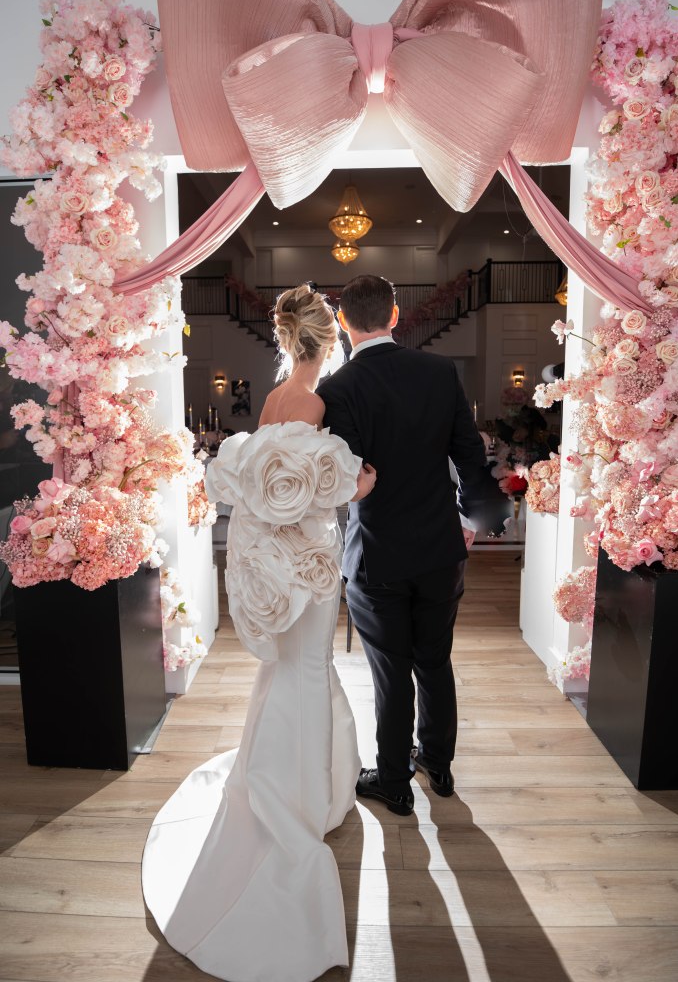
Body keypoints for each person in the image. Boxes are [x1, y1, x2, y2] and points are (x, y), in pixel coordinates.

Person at [142, 284, 375, 982]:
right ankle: (293, 797)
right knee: (306, 670)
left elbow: (268, 491)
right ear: (326, 340)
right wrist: (360, 487)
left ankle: (311, 785)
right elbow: (314, 492)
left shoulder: (273, 402)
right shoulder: (312, 403)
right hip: (305, 563)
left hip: (284, 563)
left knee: (296, 670)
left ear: (285, 339)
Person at [317, 274, 508, 817]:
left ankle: (395, 782)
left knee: (390, 671)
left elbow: (350, 474)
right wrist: (478, 515)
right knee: (434, 660)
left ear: (343, 323)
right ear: (395, 316)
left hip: (377, 553)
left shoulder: (338, 388)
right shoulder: (439, 372)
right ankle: (440, 767)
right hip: (439, 547)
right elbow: (470, 456)